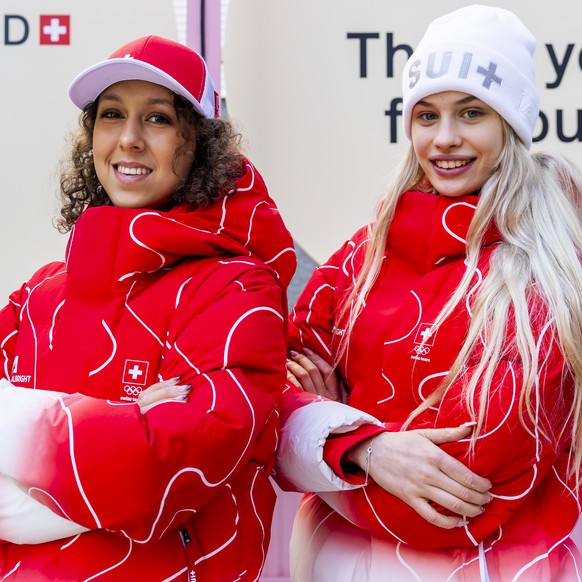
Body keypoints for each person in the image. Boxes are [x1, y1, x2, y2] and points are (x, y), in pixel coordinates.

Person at [277, 5, 582, 581]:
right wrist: (367, 447)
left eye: (471, 113)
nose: (444, 139)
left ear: (510, 125)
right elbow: (265, 396)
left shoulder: (549, 273)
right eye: (426, 115)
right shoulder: (364, 254)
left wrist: (333, 427)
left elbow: (457, 500)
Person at [0, 35, 296, 580]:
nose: (129, 139)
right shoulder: (39, 294)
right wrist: (118, 421)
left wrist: (18, 435)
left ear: (199, 144)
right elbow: (123, 460)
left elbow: (158, 478)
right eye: (112, 115)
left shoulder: (238, 292)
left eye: (157, 119)